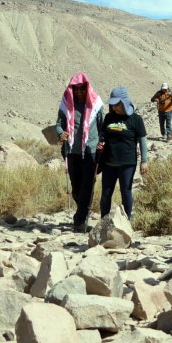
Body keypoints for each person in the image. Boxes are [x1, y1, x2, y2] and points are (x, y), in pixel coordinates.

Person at [56, 72, 104, 233]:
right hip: (72, 152)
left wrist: (102, 144)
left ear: (87, 87)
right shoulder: (66, 104)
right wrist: (60, 133)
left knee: (86, 186)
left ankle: (80, 219)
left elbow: (102, 127)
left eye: (82, 88)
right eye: (76, 89)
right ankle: (84, 210)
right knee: (76, 188)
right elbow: (58, 125)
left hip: (90, 152)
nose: (79, 92)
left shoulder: (96, 105)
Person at [97, 87, 148, 219]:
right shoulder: (108, 117)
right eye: (112, 104)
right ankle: (104, 221)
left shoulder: (136, 119)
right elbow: (102, 135)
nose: (114, 107)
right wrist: (100, 144)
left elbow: (142, 140)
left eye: (117, 104)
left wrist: (144, 161)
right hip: (109, 162)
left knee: (126, 192)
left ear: (125, 102)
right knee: (106, 194)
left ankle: (127, 221)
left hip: (127, 163)